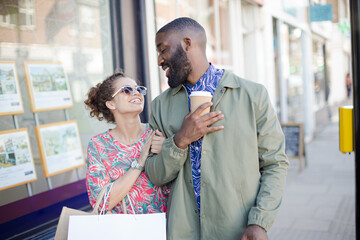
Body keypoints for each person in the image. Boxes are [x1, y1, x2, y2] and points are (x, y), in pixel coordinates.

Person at [145, 17, 289, 239]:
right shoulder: (160, 106)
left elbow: (275, 164)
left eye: (163, 50)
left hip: (238, 231)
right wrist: (180, 140)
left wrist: (260, 221)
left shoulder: (252, 95)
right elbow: (155, 174)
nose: (159, 60)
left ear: (187, 43)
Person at [84, 71, 168, 214]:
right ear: (111, 103)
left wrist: (167, 149)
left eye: (139, 89)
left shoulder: (157, 133)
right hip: (122, 232)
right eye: (127, 90)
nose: (136, 93)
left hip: (164, 229)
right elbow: (101, 204)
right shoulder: (98, 145)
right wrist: (140, 162)